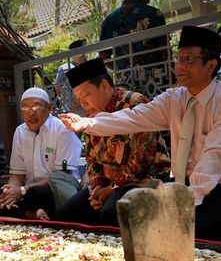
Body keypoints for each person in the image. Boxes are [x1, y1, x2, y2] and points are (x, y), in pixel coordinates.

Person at [61, 26, 221, 239]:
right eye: (179, 58)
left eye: (189, 59)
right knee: (150, 224)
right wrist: (87, 123)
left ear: (211, 65)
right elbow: (133, 118)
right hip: (184, 185)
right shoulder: (174, 98)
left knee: (184, 231)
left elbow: (213, 161)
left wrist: (181, 203)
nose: (179, 66)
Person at [56, 58, 165, 226]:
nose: (83, 103)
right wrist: (97, 187)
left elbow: (142, 161)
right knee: (65, 213)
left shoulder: (134, 103)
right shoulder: (90, 114)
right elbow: (92, 158)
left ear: (104, 85)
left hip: (141, 180)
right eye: (78, 97)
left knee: (109, 213)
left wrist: (110, 190)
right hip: (106, 185)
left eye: (85, 94)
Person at [0, 87, 82, 220]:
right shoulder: (20, 132)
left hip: (56, 188)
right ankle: (35, 214)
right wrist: (10, 191)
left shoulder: (62, 130)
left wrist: (22, 190)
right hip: (28, 190)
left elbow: (61, 177)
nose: (31, 113)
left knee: (36, 194)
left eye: (36, 106)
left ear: (49, 108)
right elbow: (17, 174)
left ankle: (31, 214)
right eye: (25, 108)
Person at [99, 0, 167, 67]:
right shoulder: (154, 14)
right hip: (157, 78)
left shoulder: (108, 21)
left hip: (125, 80)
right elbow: (165, 52)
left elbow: (104, 57)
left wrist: (122, 70)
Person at [54, 38, 86, 114]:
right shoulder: (64, 68)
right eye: (82, 52)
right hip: (71, 110)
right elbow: (58, 88)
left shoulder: (89, 65)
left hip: (88, 109)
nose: (85, 54)